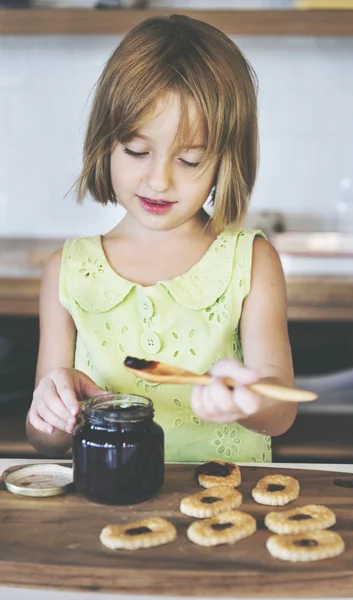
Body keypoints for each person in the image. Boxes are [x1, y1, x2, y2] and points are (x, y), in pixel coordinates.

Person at [26, 14, 296, 463]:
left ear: (225, 164)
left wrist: (250, 400)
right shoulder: (67, 271)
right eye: (137, 152)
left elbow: (281, 411)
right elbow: (45, 439)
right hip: (107, 505)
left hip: (222, 508)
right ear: (104, 145)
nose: (160, 180)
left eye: (190, 160)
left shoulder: (251, 261)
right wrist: (52, 410)